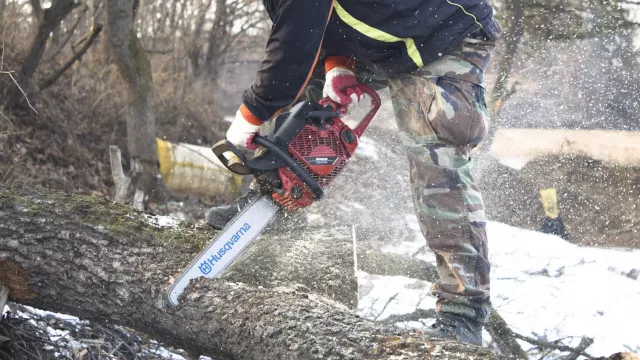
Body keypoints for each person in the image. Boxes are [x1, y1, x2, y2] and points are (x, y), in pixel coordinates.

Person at [206, 0, 502, 346]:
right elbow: (322, 24)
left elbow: (292, 48)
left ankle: (463, 313)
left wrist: (251, 113)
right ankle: (277, 197)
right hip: (392, 36)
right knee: (313, 91)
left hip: (445, 31)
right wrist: (338, 65)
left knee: (434, 152)